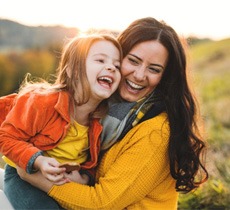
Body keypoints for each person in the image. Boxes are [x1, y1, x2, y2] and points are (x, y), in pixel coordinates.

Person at [9, 16, 209, 209]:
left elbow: (102, 203)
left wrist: (33, 176)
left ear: (165, 77)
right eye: (133, 60)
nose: (139, 75)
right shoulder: (101, 109)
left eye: (154, 69)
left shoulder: (155, 131)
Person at [0, 34, 122, 209]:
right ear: (73, 70)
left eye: (117, 65)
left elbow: (92, 162)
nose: (111, 67)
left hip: (61, 183)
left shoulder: (102, 120)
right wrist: (38, 161)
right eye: (101, 60)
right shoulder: (43, 103)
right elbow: (6, 137)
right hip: (23, 175)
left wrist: (85, 177)